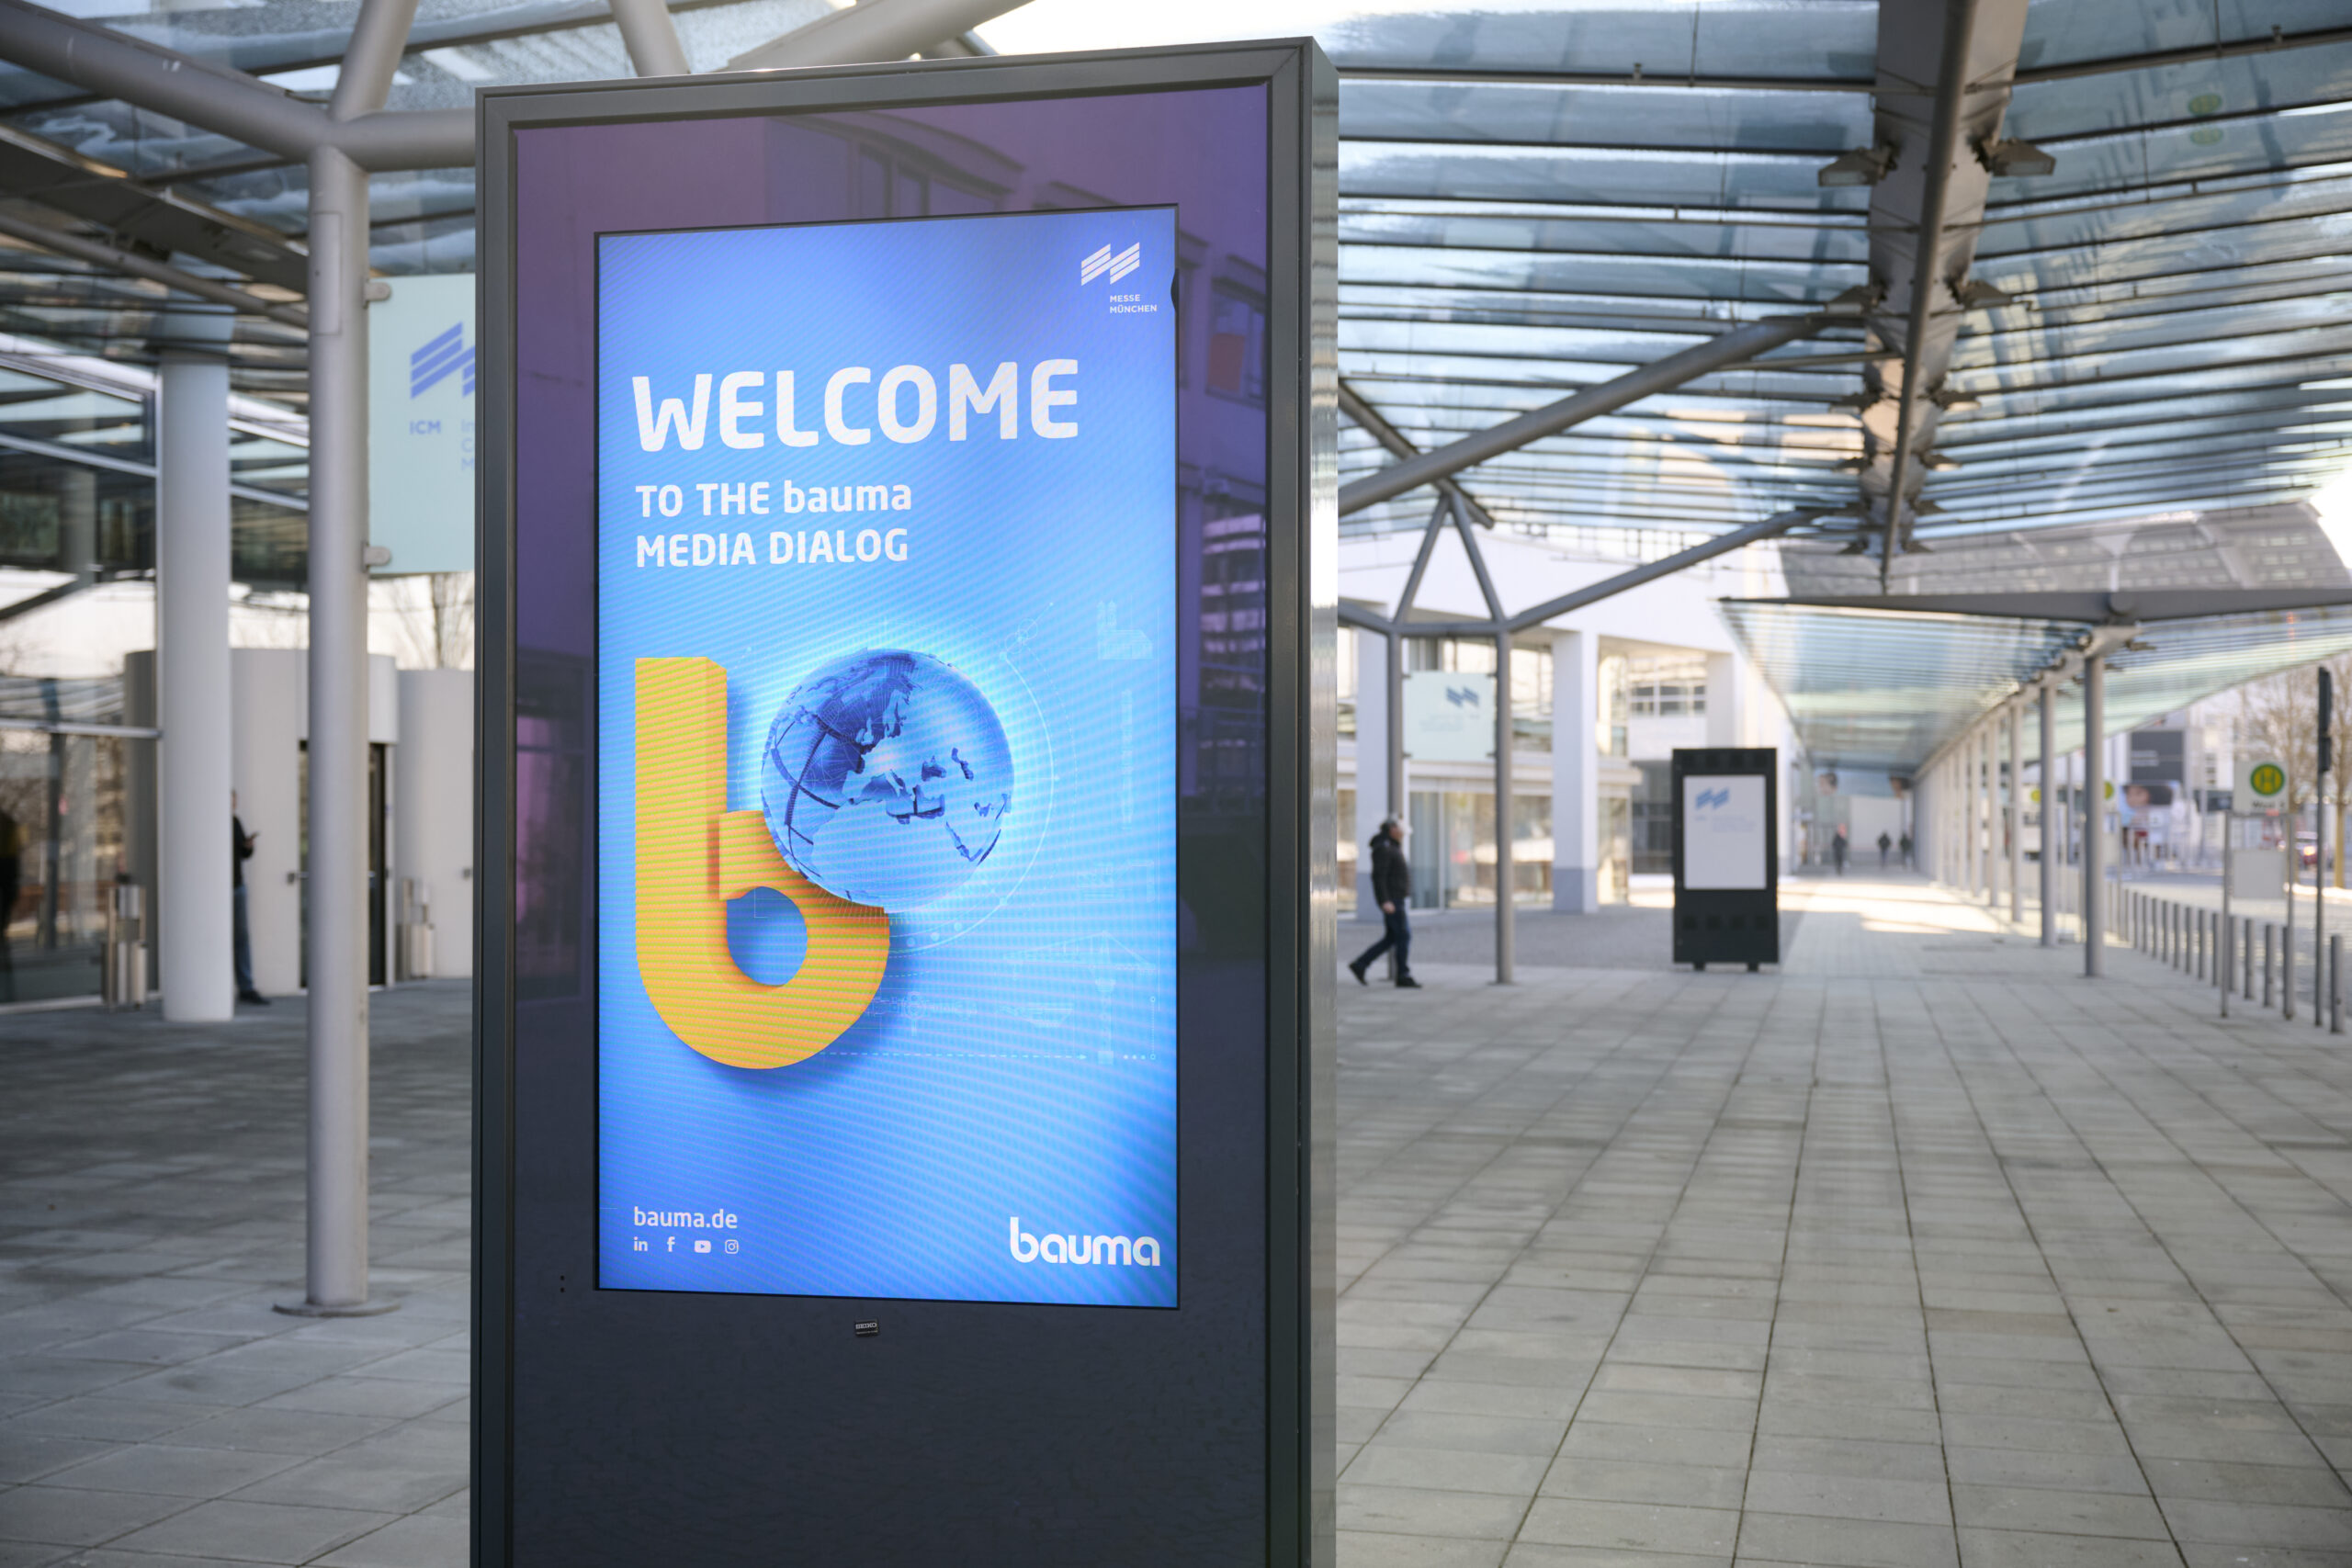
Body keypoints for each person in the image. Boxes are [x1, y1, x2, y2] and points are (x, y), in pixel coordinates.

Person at [1348, 818, 1419, 989]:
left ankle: (1361, 964)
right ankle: (1403, 974)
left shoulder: (1391, 845)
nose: (1403, 833)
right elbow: (1379, 877)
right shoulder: (1385, 848)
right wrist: (1385, 900)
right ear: (1392, 829)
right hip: (1392, 900)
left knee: (1392, 937)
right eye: (1400, 829)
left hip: (1395, 898)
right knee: (1402, 936)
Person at [233, 795, 267, 1006]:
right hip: (216, 891)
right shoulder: (210, 821)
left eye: (234, 800)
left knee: (241, 938)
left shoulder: (235, 822)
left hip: (237, 887)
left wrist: (248, 846)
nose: (233, 804)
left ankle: (246, 988)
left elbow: (243, 854)